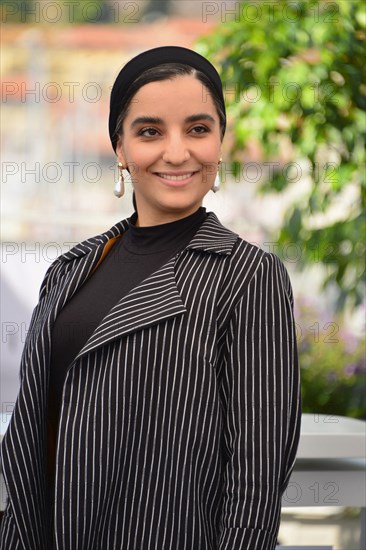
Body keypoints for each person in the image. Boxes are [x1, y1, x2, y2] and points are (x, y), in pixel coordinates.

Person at [0, 46, 301, 550]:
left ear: (221, 142)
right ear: (120, 147)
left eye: (198, 129)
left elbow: (257, 476)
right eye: (150, 131)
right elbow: (32, 437)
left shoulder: (248, 275)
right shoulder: (70, 270)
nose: (177, 152)